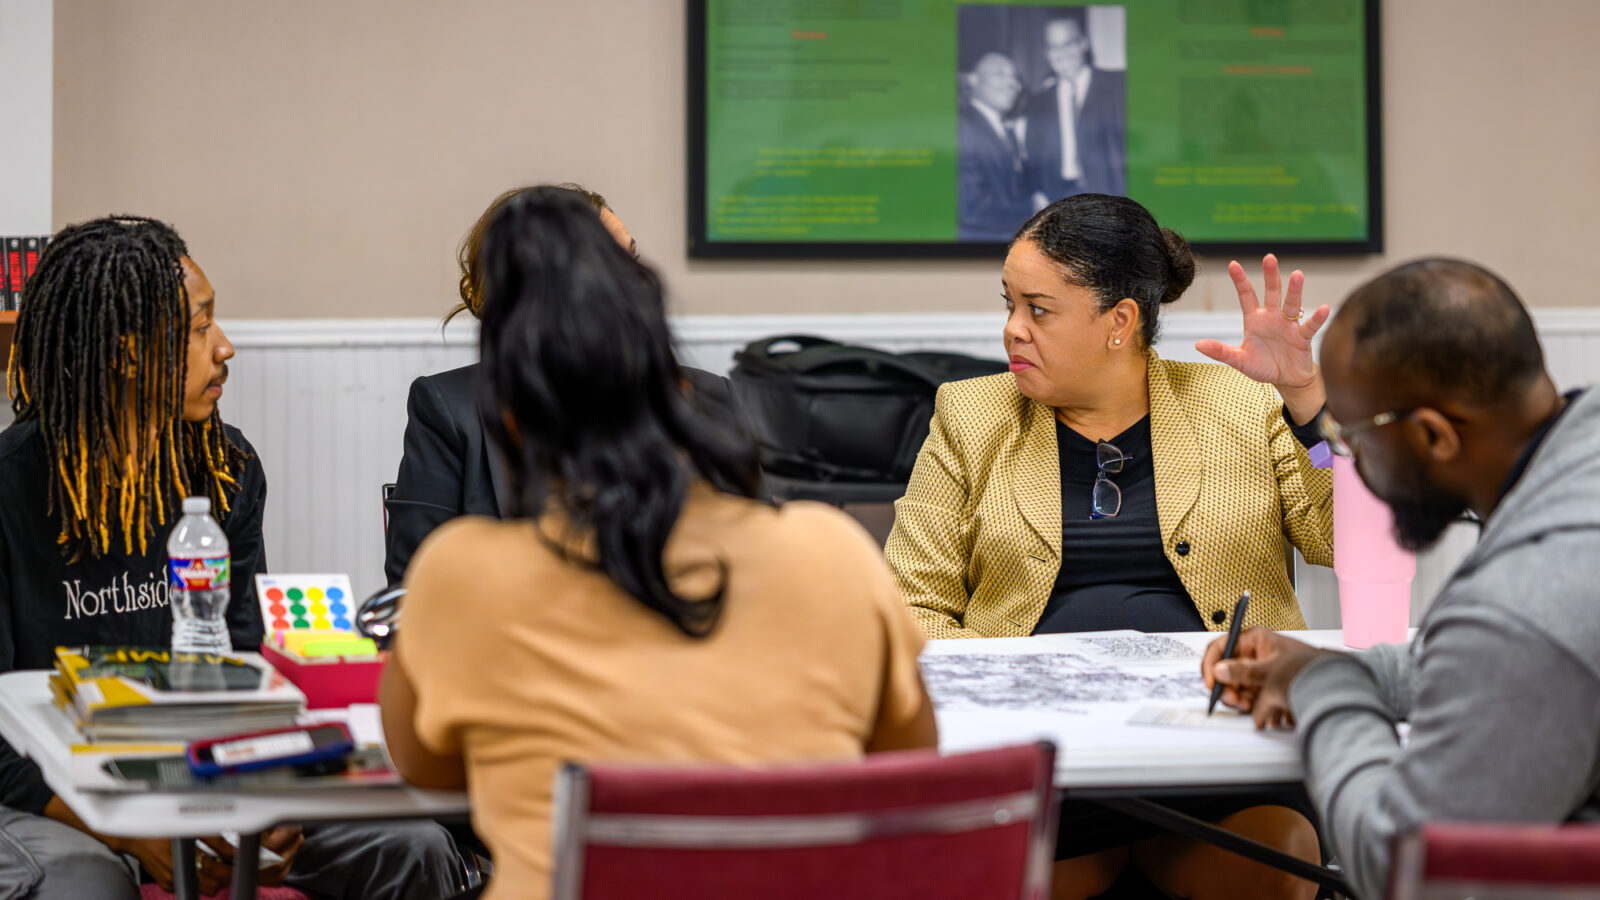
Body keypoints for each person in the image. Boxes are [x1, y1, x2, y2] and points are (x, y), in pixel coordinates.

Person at [378, 187, 936, 900]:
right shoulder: (833, 553)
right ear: (679, 395)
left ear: (511, 414)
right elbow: (907, 768)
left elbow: (425, 766)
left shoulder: (461, 578)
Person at [0, 216, 464, 900]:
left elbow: (247, 661)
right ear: (126, 351)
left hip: (202, 770)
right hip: (45, 795)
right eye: (199, 327)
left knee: (411, 846)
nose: (226, 347)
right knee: (86, 881)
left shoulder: (225, 469)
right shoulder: (11, 486)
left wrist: (265, 801)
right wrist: (129, 830)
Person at [884, 193, 1331, 898]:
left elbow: (1351, 544)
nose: (1012, 331)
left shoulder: (1240, 403)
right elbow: (912, 607)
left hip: (1220, 754)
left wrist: (1312, 410)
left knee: (1284, 859)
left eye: (1039, 309)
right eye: (1009, 304)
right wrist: (989, 718)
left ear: (1119, 321)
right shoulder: (970, 417)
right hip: (1042, 763)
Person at [1204, 259, 1600, 900]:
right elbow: (1497, 667)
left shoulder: (1526, 605)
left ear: (1434, 437)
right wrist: (1358, 670)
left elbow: (1403, 866)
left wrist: (1324, 683)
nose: (1348, 456)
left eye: (1350, 436)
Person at [383, 183, 739, 587]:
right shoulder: (452, 409)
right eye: (609, 271)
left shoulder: (708, 400)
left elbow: (749, 563)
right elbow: (413, 587)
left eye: (633, 260)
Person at [1023, 15, 1127, 204]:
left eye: (1068, 43)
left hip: (1113, 196)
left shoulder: (1120, 86)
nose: (1061, 53)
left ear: (1083, 44)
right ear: (1047, 53)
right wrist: (1038, 192)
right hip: (1059, 198)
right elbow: (1033, 157)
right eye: (1053, 47)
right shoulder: (1037, 103)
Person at [958, 53, 1036, 241]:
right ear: (974, 80)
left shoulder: (1006, 131)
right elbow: (970, 207)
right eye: (1000, 74)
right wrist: (1032, 209)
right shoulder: (961, 126)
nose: (1012, 83)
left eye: (1015, 77)